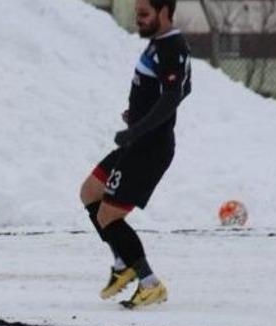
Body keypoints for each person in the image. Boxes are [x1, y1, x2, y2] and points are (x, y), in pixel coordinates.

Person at [79, 0, 191, 309]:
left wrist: (138, 128)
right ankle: (121, 263)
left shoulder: (172, 47)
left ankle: (149, 282)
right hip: (138, 142)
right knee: (90, 191)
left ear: (164, 12)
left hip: (149, 149)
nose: (138, 20)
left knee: (108, 215)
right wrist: (138, 115)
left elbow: (172, 97)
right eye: (136, 14)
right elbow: (185, 87)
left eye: (144, 14)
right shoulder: (159, 45)